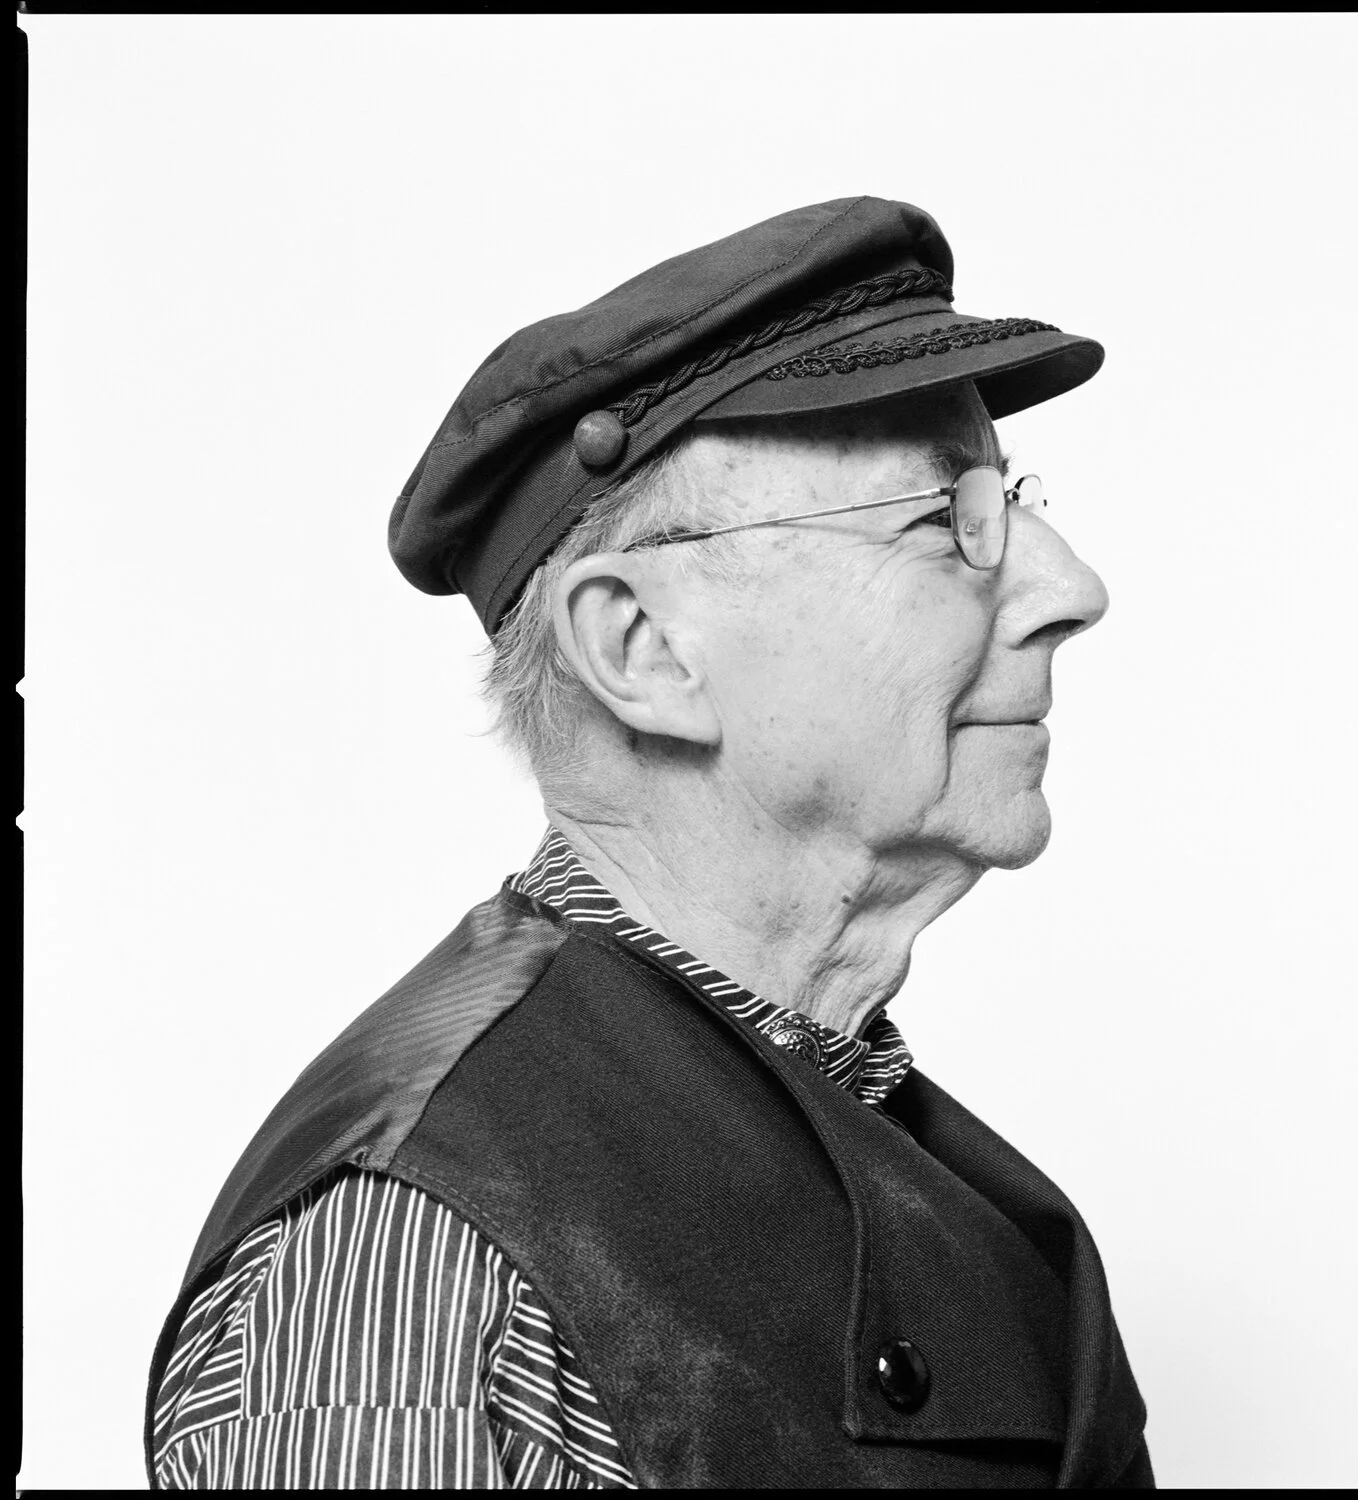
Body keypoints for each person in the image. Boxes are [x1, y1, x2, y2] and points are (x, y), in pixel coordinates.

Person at [145, 195, 1153, 1489]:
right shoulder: (410, 1276)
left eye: (1011, 503)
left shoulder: (950, 1190)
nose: (1071, 587)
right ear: (639, 648)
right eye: (941, 521)